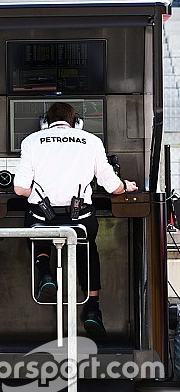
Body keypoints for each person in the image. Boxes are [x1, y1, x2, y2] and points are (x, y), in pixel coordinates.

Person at [14, 102, 137, 338]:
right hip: (79, 220)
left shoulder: (31, 141)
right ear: (76, 123)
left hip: (43, 220)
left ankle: (45, 274)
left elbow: (20, 189)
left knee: (37, 230)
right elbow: (111, 185)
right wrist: (126, 186)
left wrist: (38, 195)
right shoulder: (91, 141)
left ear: (45, 123)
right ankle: (92, 308)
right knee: (88, 247)